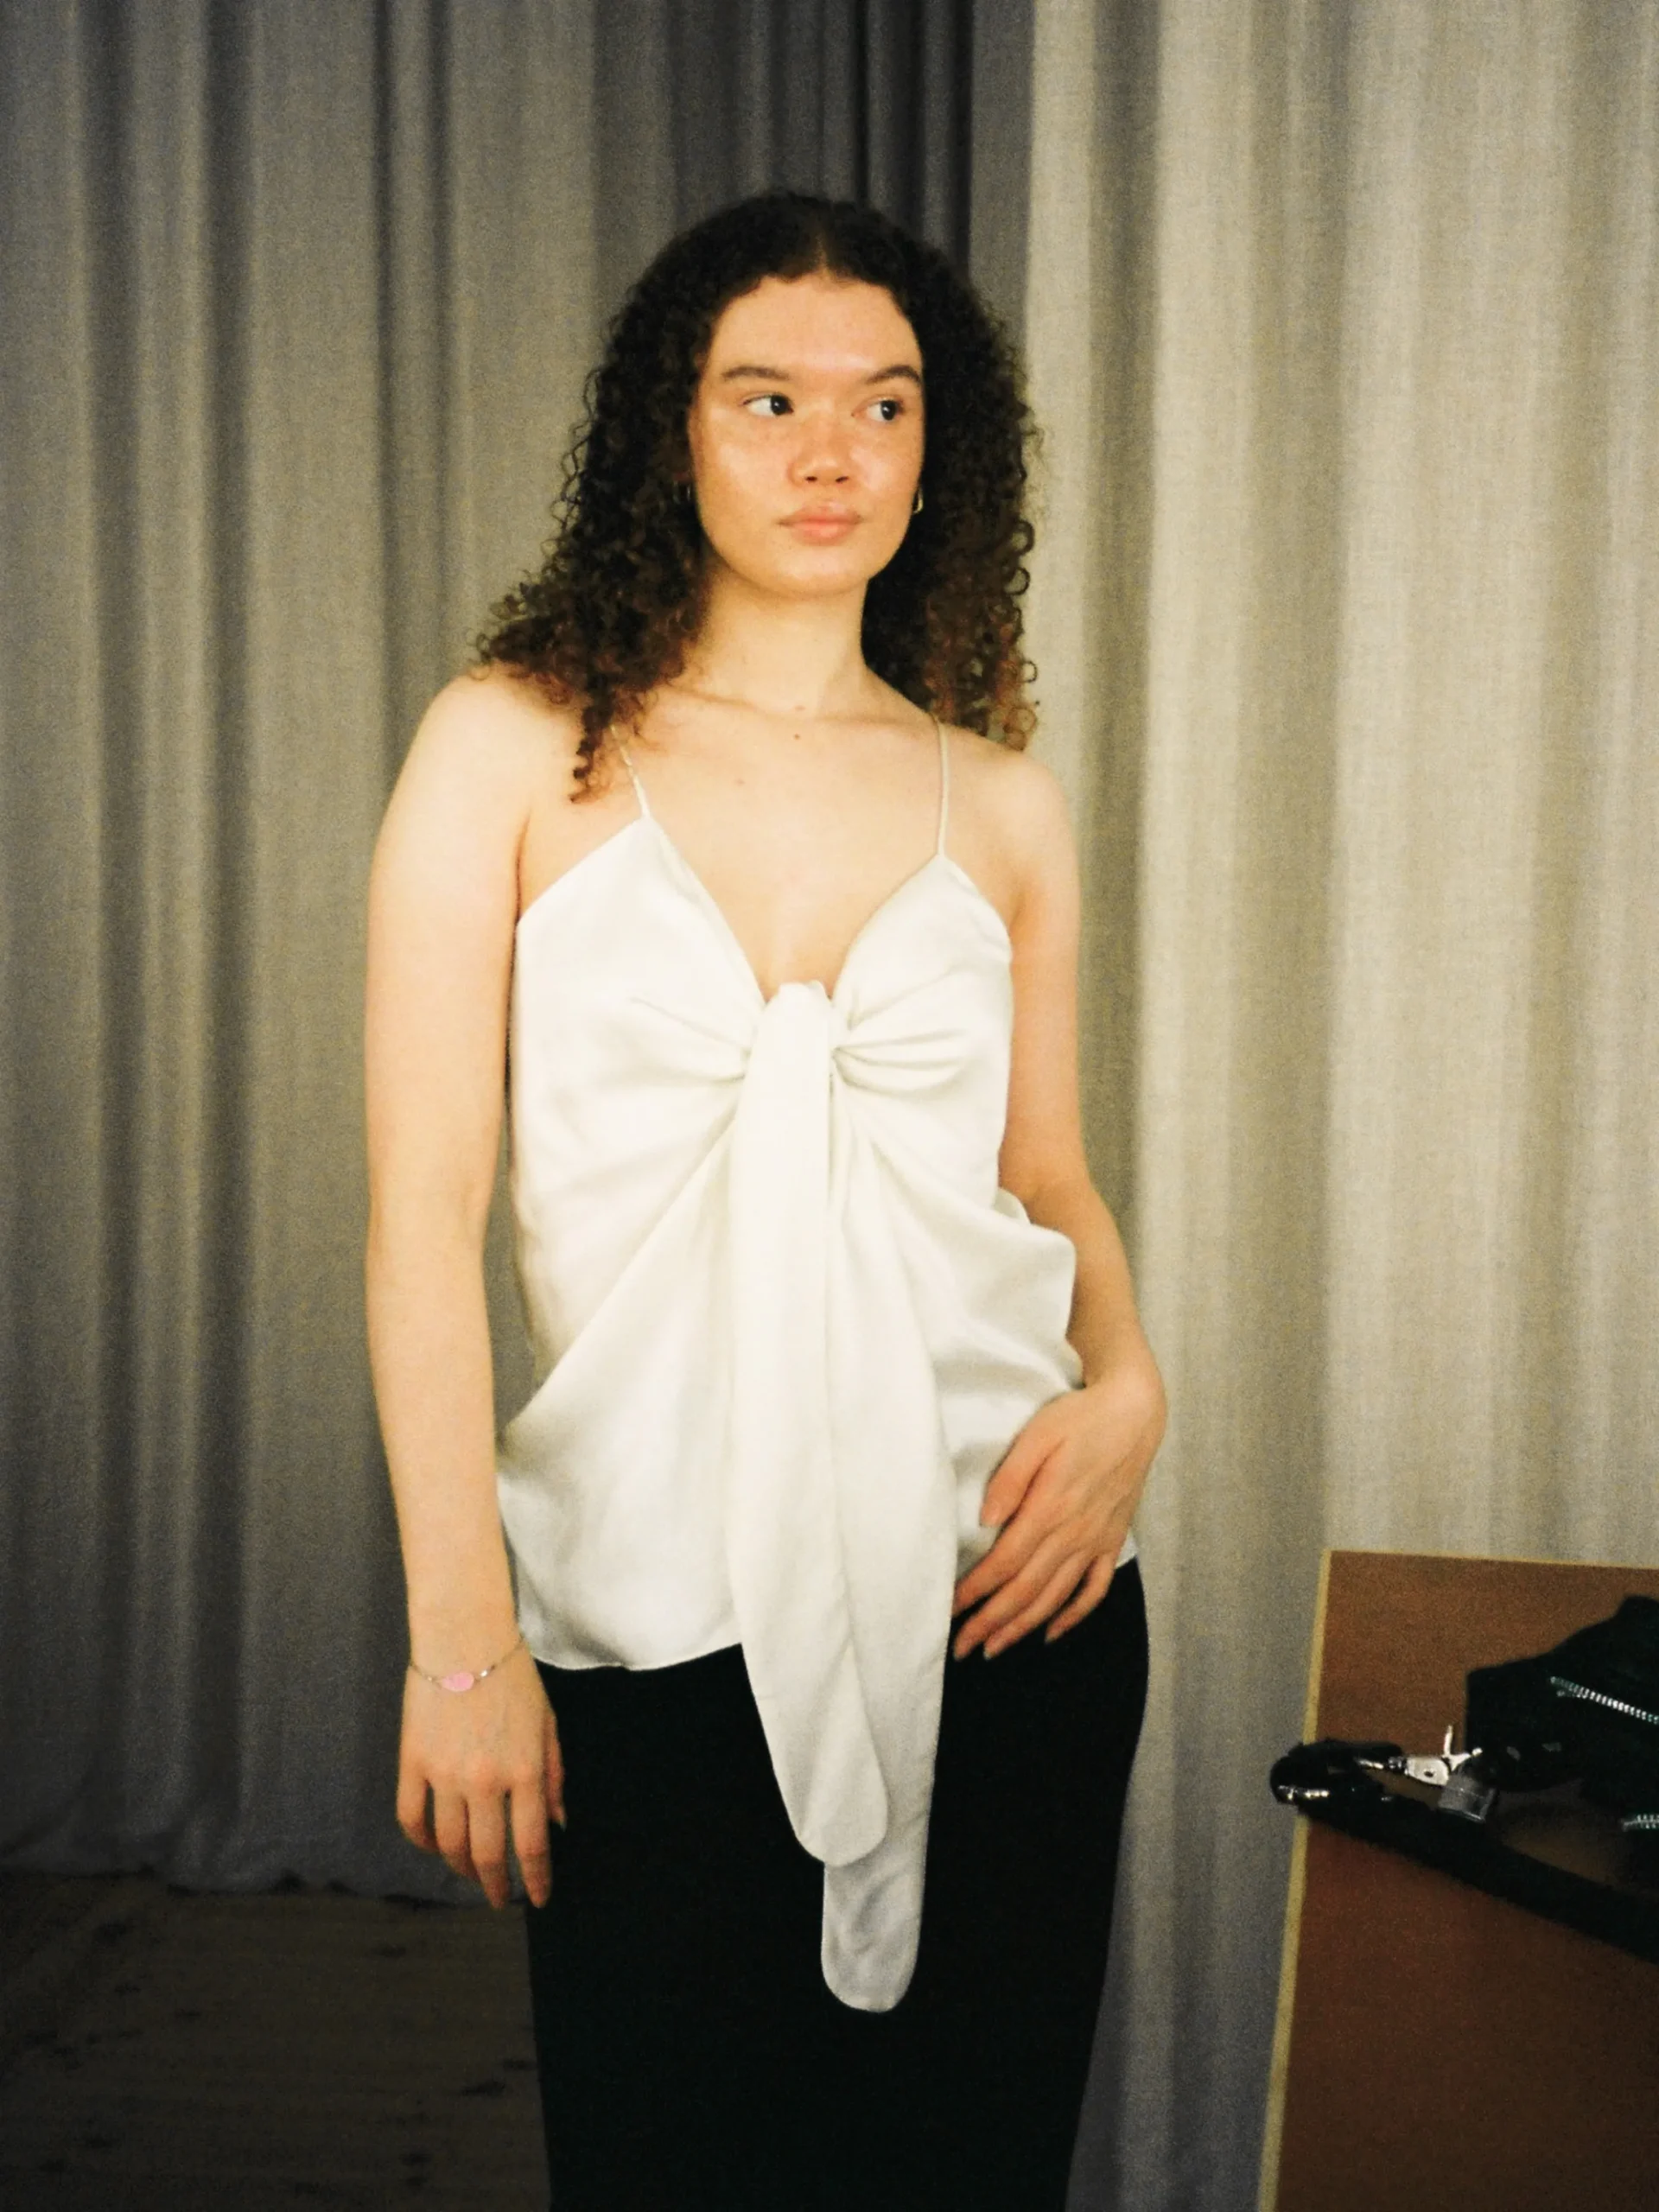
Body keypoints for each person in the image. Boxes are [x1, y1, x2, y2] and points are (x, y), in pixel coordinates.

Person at [365, 191, 1164, 2212]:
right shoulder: (510, 747)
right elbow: (420, 1214)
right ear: (675, 431)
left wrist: (1137, 1387)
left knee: (968, 2169)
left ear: (938, 447)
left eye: (884, 404)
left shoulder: (1002, 798)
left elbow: (1048, 1179)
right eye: (768, 398)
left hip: (1008, 1589)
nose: (832, 453)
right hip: (649, 1605)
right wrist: (461, 1637)